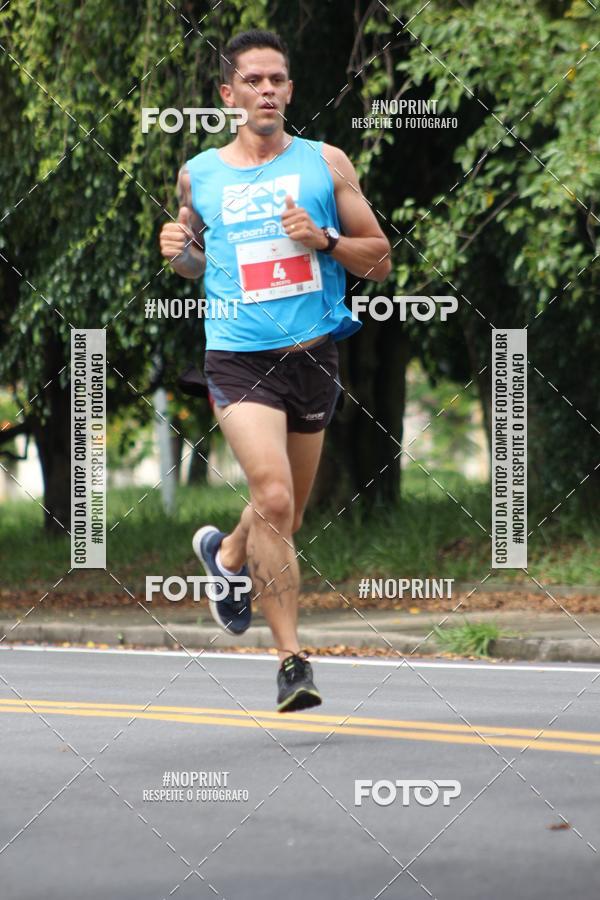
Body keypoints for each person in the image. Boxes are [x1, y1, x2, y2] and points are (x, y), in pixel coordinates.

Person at [159, 29, 391, 712]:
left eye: (277, 80)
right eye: (253, 80)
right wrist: (178, 251)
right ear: (227, 93)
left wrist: (321, 239)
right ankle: (292, 661)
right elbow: (194, 260)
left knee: (280, 513)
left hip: (314, 356)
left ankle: (228, 558)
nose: (267, 90)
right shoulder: (199, 174)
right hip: (238, 358)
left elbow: (379, 259)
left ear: (290, 90)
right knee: (276, 498)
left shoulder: (325, 164)